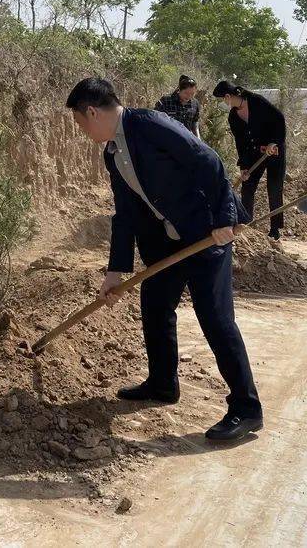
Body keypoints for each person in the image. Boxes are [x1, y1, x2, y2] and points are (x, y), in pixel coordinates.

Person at [65, 77, 263, 442]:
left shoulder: (150, 124)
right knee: (155, 306)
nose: (81, 129)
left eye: (79, 121)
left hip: (206, 233)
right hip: (166, 241)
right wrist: (115, 270)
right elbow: (125, 213)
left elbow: (208, 160)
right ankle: (162, 383)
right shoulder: (113, 152)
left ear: (92, 112)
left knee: (216, 319)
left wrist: (224, 219)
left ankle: (247, 409)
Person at [213, 80, 287, 240]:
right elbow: (240, 142)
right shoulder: (233, 117)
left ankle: (275, 229)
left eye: (222, 99)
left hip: (273, 150)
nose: (223, 103)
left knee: (274, 188)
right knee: (247, 187)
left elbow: (279, 119)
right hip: (254, 154)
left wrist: (274, 141)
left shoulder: (257, 101)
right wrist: (244, 166)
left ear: (228, 96)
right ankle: (246, 224)